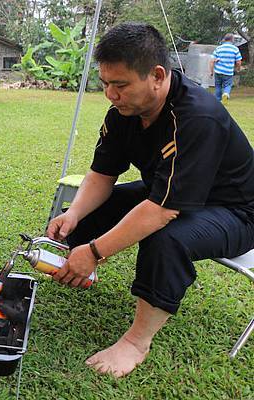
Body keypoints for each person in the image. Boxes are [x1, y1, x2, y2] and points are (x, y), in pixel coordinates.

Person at [47, 23, 254, 378]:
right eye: (105, 83)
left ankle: (135, 343)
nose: (111, 94)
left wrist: (96, 251)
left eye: (121, 85)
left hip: (235, 211)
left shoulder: (197, 117)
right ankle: (78, 269)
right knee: (84, 216)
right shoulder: (123, 114)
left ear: (157, 75)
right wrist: (76, 215)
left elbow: (161, 212)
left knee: (166, 238)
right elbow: (102, 175)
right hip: (172, 193)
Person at [209, 33, 242, 104]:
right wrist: (238, 69)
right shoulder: (235, 49)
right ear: (232, 39)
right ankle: (226, 93)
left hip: (218, 71)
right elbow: (238, 61)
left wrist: (211, 72)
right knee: (228, 85)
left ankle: (217, 101)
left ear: (224, 39)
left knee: (218, 86)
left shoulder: (218, 48)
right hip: (228, 72)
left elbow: (211, 61)